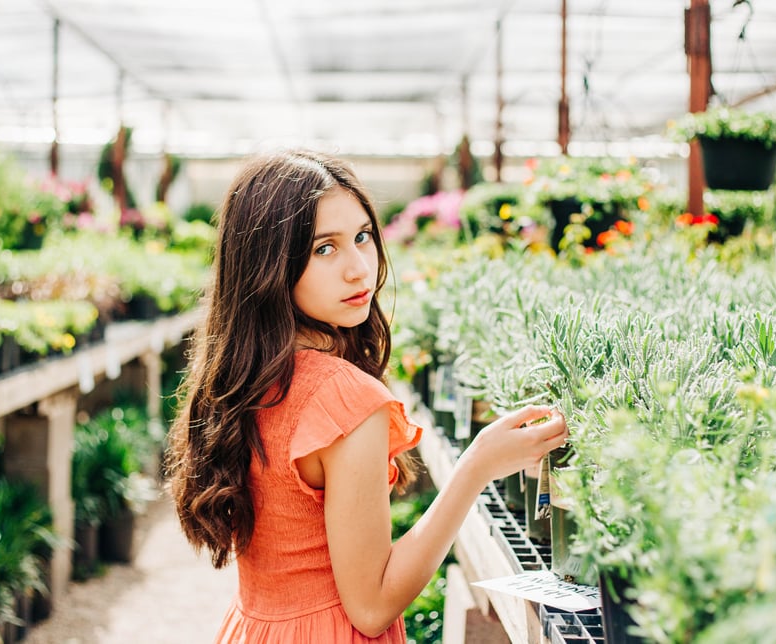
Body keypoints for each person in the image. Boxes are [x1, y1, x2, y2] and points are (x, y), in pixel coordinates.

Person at [165, 149, 568, 642]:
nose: (359, 268)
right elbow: (372, 606)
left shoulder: (244, 377)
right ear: (269, 265)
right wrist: (476, 467)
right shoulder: (344, 399)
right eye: (324, 249)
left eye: (362, 237)